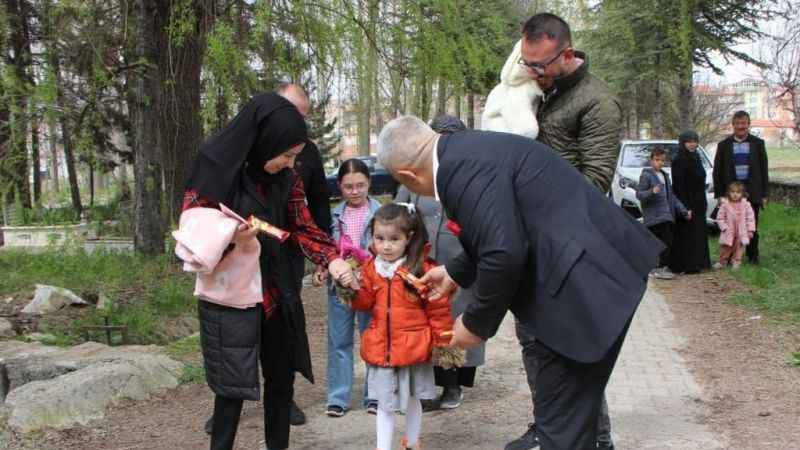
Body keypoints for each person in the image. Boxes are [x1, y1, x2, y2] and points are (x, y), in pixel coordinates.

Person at [376, 115, 662, 450]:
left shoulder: (457, 171)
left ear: (408, 176)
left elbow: (503, 252)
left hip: (583, 289)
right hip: (594, 273)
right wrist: (455, 272)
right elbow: (501, 226)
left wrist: (475, 323)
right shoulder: (468, 151)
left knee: (561, 428)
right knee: (569, 424)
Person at [178, 93, 357, 450]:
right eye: (287, 155)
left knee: (281, 383)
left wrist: (331, 258)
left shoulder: (287, 178)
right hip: (230, 299)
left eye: (296, 156)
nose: (292, 164)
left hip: (277, 293)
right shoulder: (216, 166)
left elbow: (301, 225)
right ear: (267, 141)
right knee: (230, 391)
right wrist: (231, 236)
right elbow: (190, 231)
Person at [513, 12, 622, 450]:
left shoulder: (598, 102)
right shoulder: (536, 92)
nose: (532, 73)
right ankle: (549, 426)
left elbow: (596, 181)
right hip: (536, 238)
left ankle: (596, 440)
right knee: (533, 338)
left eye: (540, 65)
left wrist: (536, 179)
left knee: (574, 348)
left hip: (576, 244)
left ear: (568, 54)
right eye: (526, 63)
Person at [395, 115, 485, 411]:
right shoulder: (417, 171)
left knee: (458, 320)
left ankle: (454, 384)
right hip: (426, 260)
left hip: (462, 260)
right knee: (429, 322)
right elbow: (400, 210)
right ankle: (432, 383)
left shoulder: (471, 172)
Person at [349, 203, 455, 450]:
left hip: (413, 349)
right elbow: (364, 303)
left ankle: (413, 442)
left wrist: (444, 343)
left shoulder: (423, 270)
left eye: (394, 239)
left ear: (409, 238)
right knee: (384, 404)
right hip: (382, 349)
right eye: (379, 238)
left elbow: (438, 309)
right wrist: (351, 287)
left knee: (413, 398)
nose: (385, 245)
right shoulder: (370, 269)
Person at [278, 82, 331, 426]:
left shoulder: (307, 151)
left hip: (291, 250)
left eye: (304, 117)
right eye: (294, 113)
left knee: (285, 326)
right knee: (241, 331)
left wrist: (326, 254)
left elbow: (319, 204)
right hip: (249, 251)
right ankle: (230, 399)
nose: (300, 122)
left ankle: (284, 397)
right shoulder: (249, 146)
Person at [326, 158, 382, 417]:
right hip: (339, 288)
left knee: (371, 338)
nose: (355, 191)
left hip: (369, 288)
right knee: (339, 341)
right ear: (340, 187)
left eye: (360, 185)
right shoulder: (334, 215)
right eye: (348, 187)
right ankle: (338, 397)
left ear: (369, 183)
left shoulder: (381, 214)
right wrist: (323, 268)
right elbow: (327, 250)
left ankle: (375, 395)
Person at [713, 111, 769, 264]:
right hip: (730, 194)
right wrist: (719, 195)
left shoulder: (758, 144)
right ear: (733, 125)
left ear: (748, 124)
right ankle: (730, 257)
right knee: (731, 227)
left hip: (753, 192)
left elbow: (764, 170)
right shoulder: (723, 145)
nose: (740, 126)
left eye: (743, 123)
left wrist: (764, 194)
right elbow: (717, 171)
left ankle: (752, 257)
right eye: (737, 123)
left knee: (752, 226)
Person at [636, 146, 691, 280]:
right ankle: (656, 269)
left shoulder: (665, 176)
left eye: (662, 160)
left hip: (666, 215)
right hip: (654, 217)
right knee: (661, 243)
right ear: (651, 160)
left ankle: (660, 268)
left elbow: (672, 197)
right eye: (657, 160)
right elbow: (639, 194)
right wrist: (652, 192)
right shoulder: (646, 175)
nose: (659, 163)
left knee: (667, 242)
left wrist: (684, 211)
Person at [671, 130, 712, 274]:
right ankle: (687, 265)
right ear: (683, 143)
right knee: (687, 234)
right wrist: (685, 208)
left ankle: (699, 262)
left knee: (698, 233)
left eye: (695, 141)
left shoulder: (696, 156)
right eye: (690, 141)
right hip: (687, 201)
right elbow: (679, 186)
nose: (693, 144)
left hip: (699, 200)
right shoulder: (679, 159)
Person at [713, 181, 756, 270]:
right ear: (729, 193)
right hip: (729, 231)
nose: (735, 195)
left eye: (738, 192)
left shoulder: (746, 205)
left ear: (742, 194)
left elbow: (750, 218)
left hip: (741, 231)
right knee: (726, 247)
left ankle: (736, 261)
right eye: (732, 192)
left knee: (739, 248)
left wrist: (750, 230)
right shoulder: (725, 205)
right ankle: (722, 261)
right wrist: (724, 227)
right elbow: (720, 218)